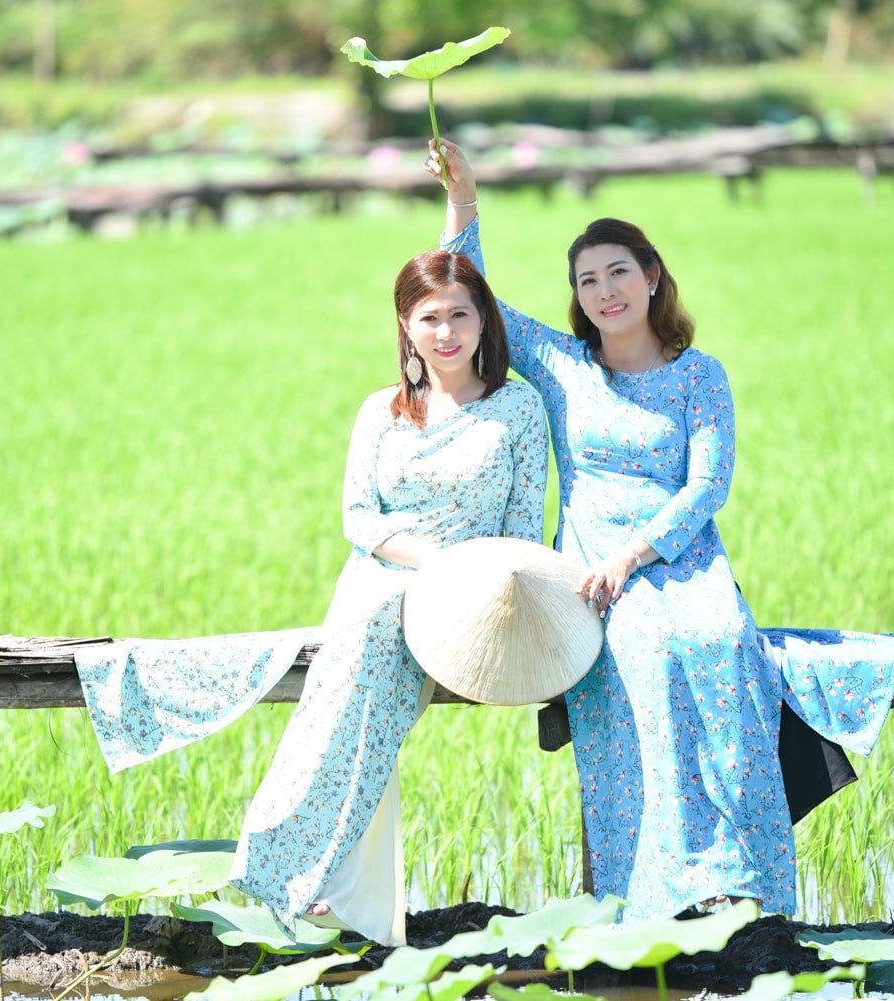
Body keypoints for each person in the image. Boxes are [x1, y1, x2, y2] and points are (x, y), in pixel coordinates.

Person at [423, 139, 894, 920]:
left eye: (618, 273)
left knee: (718, 641)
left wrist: (641, 551)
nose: (604, 291)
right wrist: (464, 196)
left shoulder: (700, 374)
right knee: (643, 651)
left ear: (652, 276)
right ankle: (650, 887)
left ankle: (742, 876)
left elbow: (708, 484)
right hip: (594, 567)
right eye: (587, 280)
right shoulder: (567, 367)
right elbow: (472, 292)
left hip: (677, 553)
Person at [76, 248, 549, 946]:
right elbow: (358, 516)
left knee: (368, 672)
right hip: (384, 573)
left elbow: (523, 530)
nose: (446, 332)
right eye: (429, 318)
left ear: (485, 321)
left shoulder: (518, 408)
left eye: (460, 315)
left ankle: (295, 874)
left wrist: (464, 575)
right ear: (404, 326)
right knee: (354, 671)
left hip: (475, 590)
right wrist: (428, 559)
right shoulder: (381, 411)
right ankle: (299, 871)